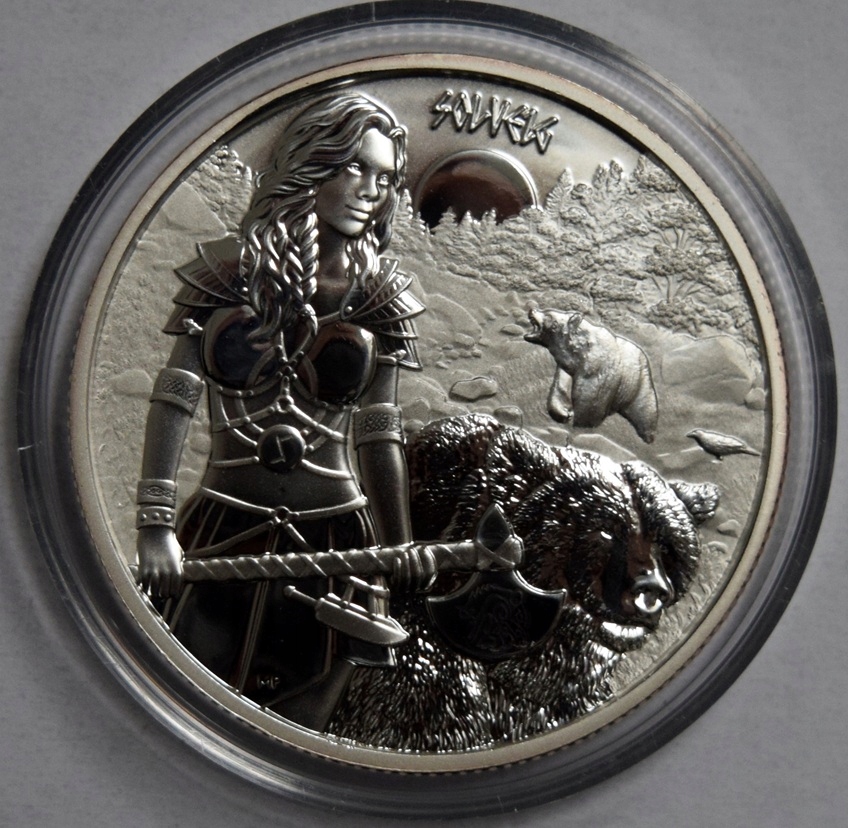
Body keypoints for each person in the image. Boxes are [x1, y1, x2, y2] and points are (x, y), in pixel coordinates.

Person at [134, 92, 426, 729]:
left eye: (384, 178)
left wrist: (399, 544)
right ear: (311, 162)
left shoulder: (381, 293)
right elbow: (177, 391)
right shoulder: (226, 270)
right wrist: (154, 524)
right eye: (355, 167)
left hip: (338, 542)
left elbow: (380, 431)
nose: (370, 190)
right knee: (184, 713)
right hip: (219, 528)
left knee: (301, 730)